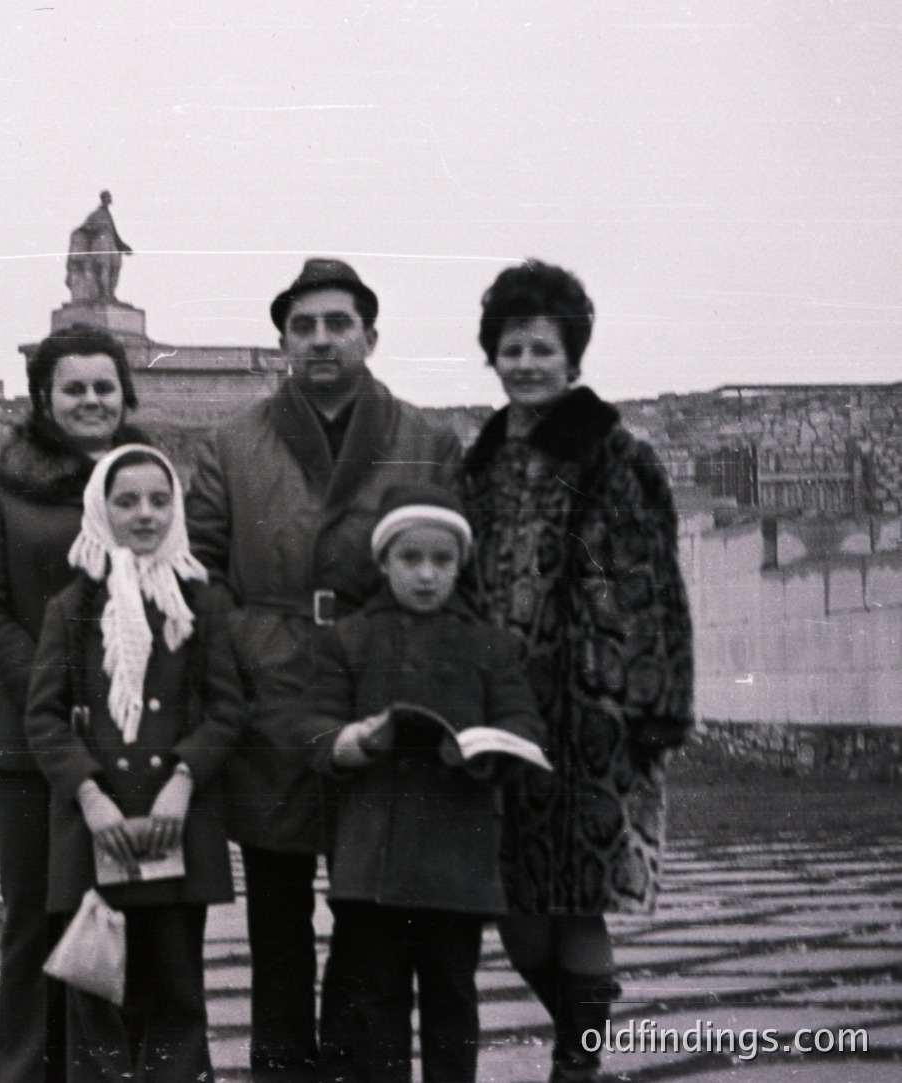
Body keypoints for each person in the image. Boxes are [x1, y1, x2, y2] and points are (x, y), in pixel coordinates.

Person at [186, 258, 464, 1082]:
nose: (319, 339)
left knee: (369, 909)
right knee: (275, 912)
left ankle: (357, 1068)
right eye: (302, 326)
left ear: (369, 335)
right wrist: (244, 646)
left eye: (337, 323)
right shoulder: (232, 444)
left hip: (376, 694)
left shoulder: (424, 440)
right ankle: (280, 1067)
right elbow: (198, 570)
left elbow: (452, 571)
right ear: (281, 341)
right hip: (267, 693)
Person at [460, 260, 695, 1083]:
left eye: (542, 349)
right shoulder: (480, 462)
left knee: (577, 898)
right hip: (499, 720)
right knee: (519, 912)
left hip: (589, 712)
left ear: (573, 358)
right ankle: (584, 1042)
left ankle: (577, 1067)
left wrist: (639, 704)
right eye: (511, 348)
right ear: (492, 355)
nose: (525, 363)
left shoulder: (610, 455)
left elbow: (639, 584)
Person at [297, 484, 548, 1083]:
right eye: (411, 560)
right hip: (371, 862)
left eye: (443, 561)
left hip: (456, 861)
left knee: (452, 1002)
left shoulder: (488, 644)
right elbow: (310, 727)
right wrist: (355, 739)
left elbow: (523, 725)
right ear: (384, 563)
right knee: (375, 1006)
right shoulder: (349, 638)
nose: (428, 575)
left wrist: (484, 750)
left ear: (462, 565)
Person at [0, 324, 149, 1083]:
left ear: (124, 393)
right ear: (44, 397)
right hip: (28, 743)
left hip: (131, 740)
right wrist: (54, 691)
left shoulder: (147, 486)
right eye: (73, 387)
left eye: (104, 386)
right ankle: (27, 1071)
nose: (91, 400)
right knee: (37, 919)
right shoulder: (0, 493)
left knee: (120, 917)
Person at [26, 444, 244, 1083]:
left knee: (177, 995)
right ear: (101, 509)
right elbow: (43, 716)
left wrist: (183, 780)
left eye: (158, 500)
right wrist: (90, 799)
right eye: (126, 501)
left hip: (175, 826)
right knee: (97, 997)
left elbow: (226, 709)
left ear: (175, 508)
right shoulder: (72, 609)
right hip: (99, 833)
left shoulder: (200, 604)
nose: (144, 515)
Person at [67, 191, 134, 303]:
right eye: (106, 197)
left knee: (115, 267)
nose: (108, 199)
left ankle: (110, 293)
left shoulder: (108, 214)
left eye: (109, 197)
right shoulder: (95, 214)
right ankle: (104, 293)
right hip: (100, 243)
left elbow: (114, 234)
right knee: (104, 267)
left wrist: (124, 246)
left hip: (110, 244)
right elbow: (85, 228)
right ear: (102, 199)